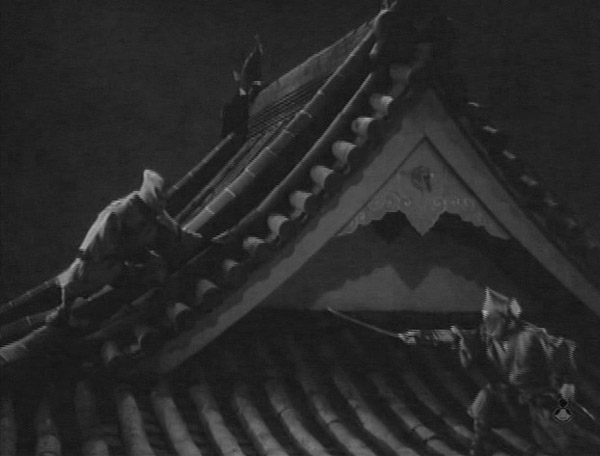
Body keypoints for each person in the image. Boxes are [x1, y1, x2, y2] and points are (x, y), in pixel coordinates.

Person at [0, 169, 206, 379]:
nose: (160, 205)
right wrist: (117, 263)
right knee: (75, 290)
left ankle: (143, 302)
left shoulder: (155, 217)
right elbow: (97, 244)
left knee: (152, 272)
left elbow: (173, 234)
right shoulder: (120, 212)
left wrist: (198, 242)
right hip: (100, 264)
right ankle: (64, 316)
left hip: (124, 265)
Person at [452, 287, 600, 456]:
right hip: (515, 399)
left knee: (567, 439)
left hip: (543, 398)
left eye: (492, 319)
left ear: (506, 319)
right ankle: (479, 444)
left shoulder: (530, 336)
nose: (488, 325)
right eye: (486, 319)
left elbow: (563, 346)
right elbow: (470, 338)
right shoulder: (488, 337)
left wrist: (568, 381)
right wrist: (459, 336)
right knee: (488, 396)